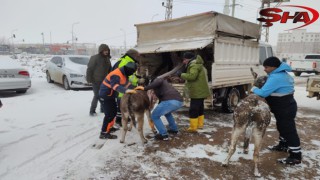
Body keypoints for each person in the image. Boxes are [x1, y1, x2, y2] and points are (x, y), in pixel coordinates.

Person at [252, 56, 302, 165]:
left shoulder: (277, 77)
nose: (264, 69)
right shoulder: (280, 74)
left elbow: (263, 93)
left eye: (267, 67)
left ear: (274, 67)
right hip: (285, 106)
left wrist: (253, 88)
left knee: (289, 130)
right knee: (282, 127)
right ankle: (283, 145)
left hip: (285, 108)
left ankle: (296, 156)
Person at [98, 62, 138, 139]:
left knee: (114, 112)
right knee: (109, 114)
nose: (132, 74)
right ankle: (103, 133)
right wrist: (126, 91)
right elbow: (115, 86)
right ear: (129, 70)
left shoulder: (123, 74)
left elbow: (126, 84)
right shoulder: (116, 74)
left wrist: (135, 88)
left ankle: (109, 127)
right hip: (105, 95)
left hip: (111, 95)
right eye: (132, 72)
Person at [179, 52, 210, 132]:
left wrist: (181, 75)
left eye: (184, 59)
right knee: (200, 108)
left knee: (193, 109)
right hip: (200, 90)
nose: (184, 61)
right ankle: (200, 125)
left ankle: (193, 128)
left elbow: (192, 76)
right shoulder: (197, 64)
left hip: (197, 91)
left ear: (189, 59)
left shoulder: (194, 65)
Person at [112, 49, 140, 127]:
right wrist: (138, 80)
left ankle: (125, 119)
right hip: (123, 87)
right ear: (133, 55)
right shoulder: (127, 61)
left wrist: (137, 77)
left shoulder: (125, 60)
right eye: (137, 56)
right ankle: (119, 121)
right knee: (122, 105)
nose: (138, 57)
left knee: (125, 104)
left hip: (124, 86)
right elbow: (129, 76)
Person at [86, 44, 112, 116]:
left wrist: (111, 77)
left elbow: (110, 69)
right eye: (104, 50)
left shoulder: (107, 58)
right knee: (97, 95)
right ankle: (92, 111)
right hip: (96, 80)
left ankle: (102, 109)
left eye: (107, 50)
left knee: (103, 95)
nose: (106, 52)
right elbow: (89, 69)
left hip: (104, 81)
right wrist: (89, 79)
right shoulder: (95, 58)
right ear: (101, 51)